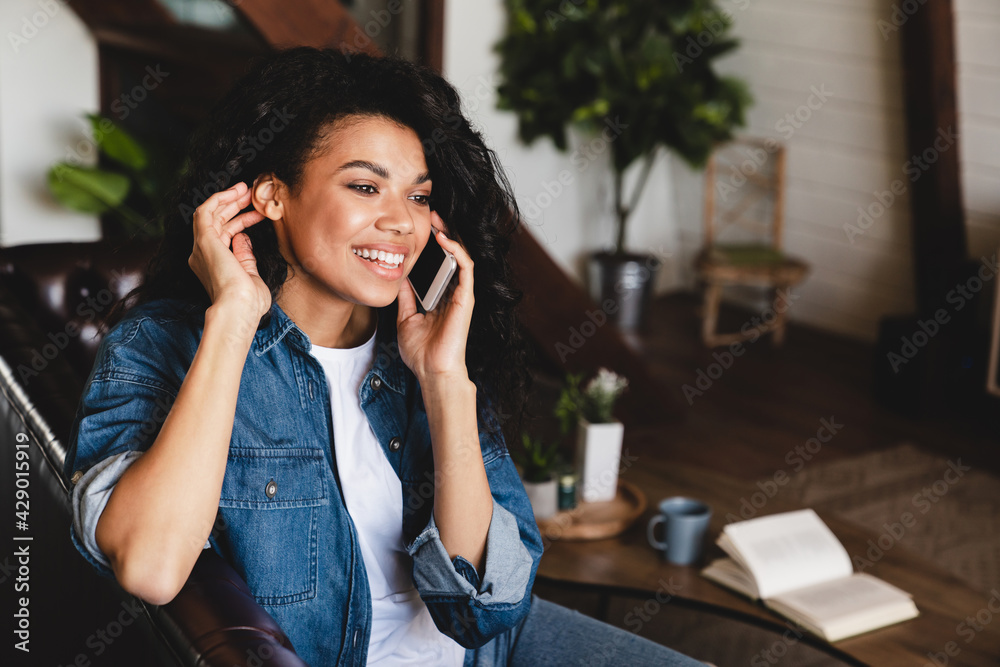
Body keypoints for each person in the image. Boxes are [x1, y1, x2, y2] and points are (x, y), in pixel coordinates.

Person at [64, 47, 706, 666]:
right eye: (366, 187)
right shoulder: (160, 345)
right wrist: (233, 319)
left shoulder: (422, 344)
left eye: (419, 196)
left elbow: (487, 607)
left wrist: (444, 379)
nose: (403, 222)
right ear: (272, 197)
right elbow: (149, 567)